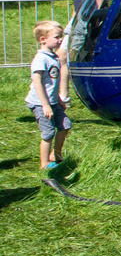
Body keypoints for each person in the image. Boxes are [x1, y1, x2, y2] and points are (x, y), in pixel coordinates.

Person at [27, 20, 70, 174]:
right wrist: (45, 104)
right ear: (42, 39)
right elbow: (37, 82)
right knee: (48, 132)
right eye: (57, 37)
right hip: (40, 103)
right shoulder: (41, 59)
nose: (60, 40)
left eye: (61, 37)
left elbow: (51, 83)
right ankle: (44, 163)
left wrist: (58, 100)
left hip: (52, 101)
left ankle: (56, 155)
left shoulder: (53, 57)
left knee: (65, 125)